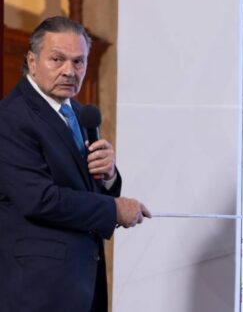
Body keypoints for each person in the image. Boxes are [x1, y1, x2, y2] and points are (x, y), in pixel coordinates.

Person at [0, 16, 150, 312]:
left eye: (79, 61)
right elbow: (40, 200)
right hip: (38, 291)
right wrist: (114, 209)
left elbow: (85, 188)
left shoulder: (80, 114)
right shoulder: (11, 117)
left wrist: (108, 175)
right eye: (57, 59)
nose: (69, 71)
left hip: (81, 284)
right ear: (32, 61)